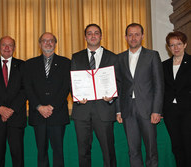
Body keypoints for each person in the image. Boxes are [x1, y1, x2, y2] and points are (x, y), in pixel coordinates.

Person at [71, 23, 119, 167]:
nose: (93, 36)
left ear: (101, 36)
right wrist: (78, 97)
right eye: (90, 33)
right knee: (83, 152)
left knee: (108, 152)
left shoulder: (112, 57)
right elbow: (72, 82)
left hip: (104, 110)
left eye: (96, 33)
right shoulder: (76, 57)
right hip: (82, 111)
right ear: (85, 37)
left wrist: (112, 98)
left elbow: (118, 82)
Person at [117, 23, 164, 167]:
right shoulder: (119, 58)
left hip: (148, 110)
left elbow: (159, 85)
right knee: (133, 150)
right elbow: (119, 86)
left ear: (142, 36)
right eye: (130, 34)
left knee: (151, 150)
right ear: (125, 37)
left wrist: (156, 110)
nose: (133, 38)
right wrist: (118, 110)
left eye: (137, 34)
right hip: (127, 110)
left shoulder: (152, 55)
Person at [25, 32, 70, 167]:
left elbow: (66, 87)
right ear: (40, 44)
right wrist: (39, 107)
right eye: (45, 41)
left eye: (51, 41)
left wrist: (51, 106)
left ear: (55, 44)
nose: (48, 43)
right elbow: (27, 88)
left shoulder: (66, 62)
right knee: (41, 152)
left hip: (57, 114)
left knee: (58, 152)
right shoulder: (29, 64)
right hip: (38, 114)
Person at [0, 36, 27, 167]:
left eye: (10, 45)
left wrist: (10, 110)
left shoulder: (23, 65)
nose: (7, 48)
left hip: (16, 118)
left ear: (14, 48)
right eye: (4, 45)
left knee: (18, 157)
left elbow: (25, 90)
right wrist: (0, 109)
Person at [162, 31, 191, 167]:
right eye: (172, 45)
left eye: (179, 44)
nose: (176, 48)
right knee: (176, 146)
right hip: (170, 111)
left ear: (185, 44)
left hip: (188, 110)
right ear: (168, 47)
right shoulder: (164, 65)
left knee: (188, 145)